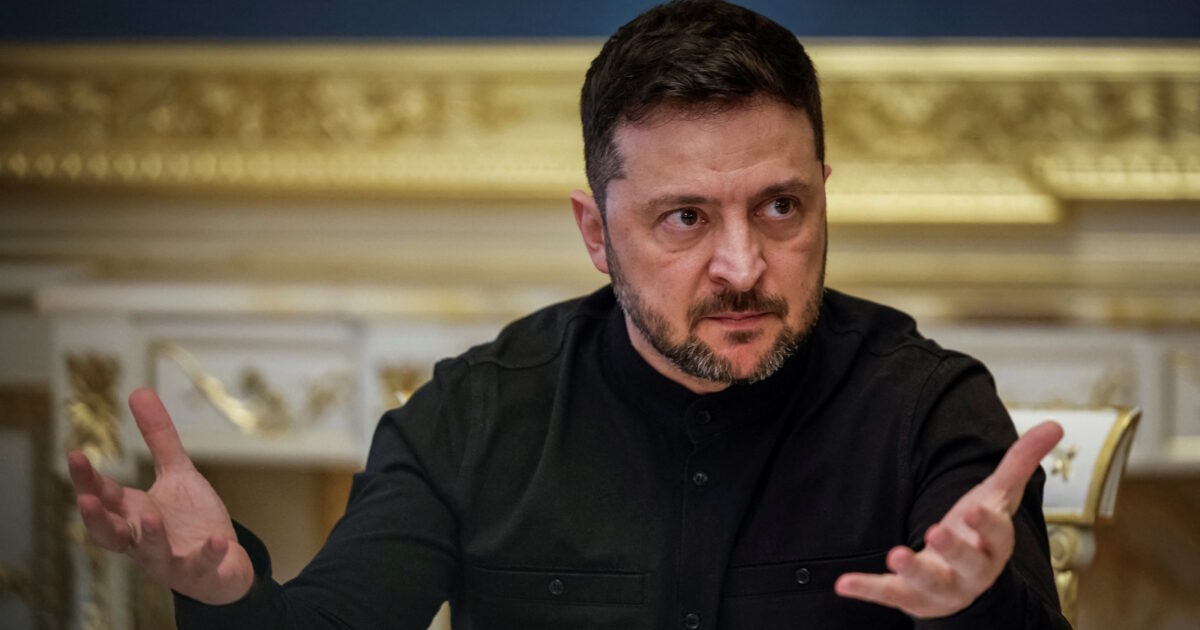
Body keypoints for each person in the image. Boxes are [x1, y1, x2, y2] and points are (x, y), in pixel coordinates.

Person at [67, 1, 1070, 628]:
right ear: (596, 233)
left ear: (822, 196)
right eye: (685, 218)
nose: (743, 266)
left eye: (780, 207)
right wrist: (226, 591)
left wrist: (973, 607)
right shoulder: (474, 417)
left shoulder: (927, 406)